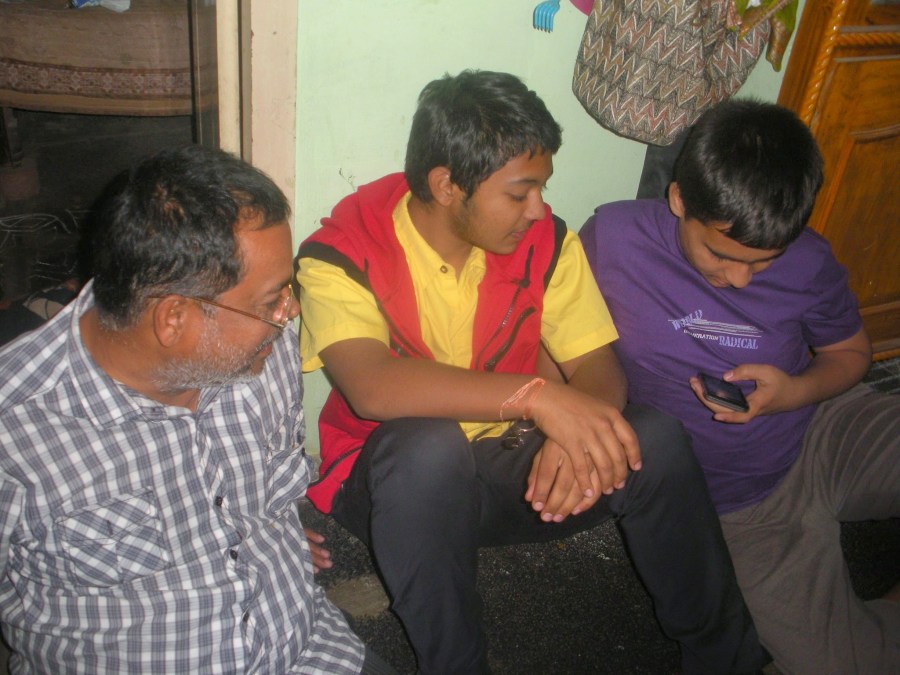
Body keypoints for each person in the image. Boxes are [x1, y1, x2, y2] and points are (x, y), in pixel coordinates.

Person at [296, 70, 767, 674]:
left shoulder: (548, 242)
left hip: (516, 472)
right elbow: (372, 387)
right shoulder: (341, 253)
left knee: (655, 436)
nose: (537, 210)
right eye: (519, 194)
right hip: (392, 488)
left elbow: (596, 365)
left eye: (541, 189)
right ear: (446, 186)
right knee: (426, 446)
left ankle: (728, 660)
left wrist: (575, 431)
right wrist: (540, 399)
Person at [0, 145, 392, 673]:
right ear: (174, 319)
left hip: (308, 652)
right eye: (270, 300)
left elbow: (264, 489)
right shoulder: (15, 432)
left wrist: (250, 529)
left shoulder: (261, 350)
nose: (290, 311)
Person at [580, 99, 900, 674]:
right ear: (679, 200)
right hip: (743, 508)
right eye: (721, 255)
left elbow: (851, 353)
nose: (740, 279)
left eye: (765, 262)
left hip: (827, 428)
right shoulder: (612, 240)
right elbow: (561, 338)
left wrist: (795, 392)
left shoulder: (810, 260)